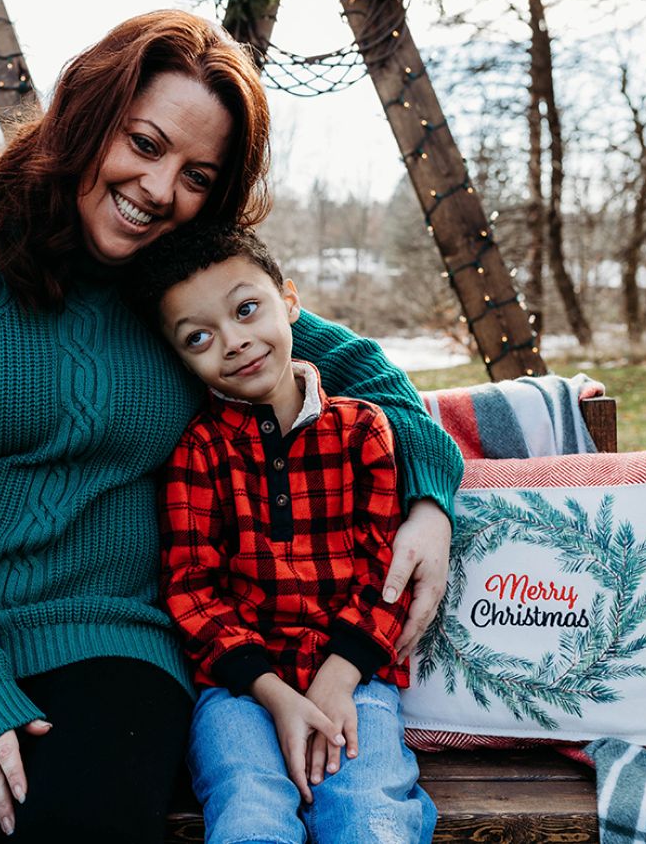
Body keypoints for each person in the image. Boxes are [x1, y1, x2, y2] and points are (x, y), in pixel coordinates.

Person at [0, 9, 463, 843]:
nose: (158, 189)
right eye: (146, 144)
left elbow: (379, 387)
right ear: (85, 118)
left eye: (196, 175)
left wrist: (431, 500)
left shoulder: (180, 301)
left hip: (107, 644)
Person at [131, 221, 437, 844]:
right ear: (182, 358)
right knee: (249, 805)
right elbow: (191, 590)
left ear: (289, 301)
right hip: (241, 688)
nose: (235, 342)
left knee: (368, 808)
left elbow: (386, 570)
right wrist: (270, 691)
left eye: (247, 310)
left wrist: (340, 675)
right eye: (199, 337)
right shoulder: (199, 451)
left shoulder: (361, 431)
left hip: (352, 676)